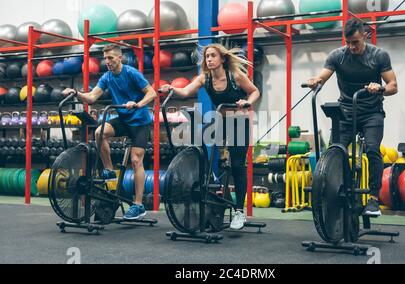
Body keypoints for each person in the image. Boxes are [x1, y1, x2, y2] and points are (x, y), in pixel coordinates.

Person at [160, 43, 260, 230]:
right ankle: (217, 194)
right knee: (204, 152)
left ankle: (239, 212)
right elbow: (185, 91)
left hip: (238, 122)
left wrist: (247, 101)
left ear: (222, 58)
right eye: (207, 57)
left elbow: (255, 91)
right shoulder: (204, 78)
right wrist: (172, 89)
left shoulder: (235, 76)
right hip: (220, 121)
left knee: (237, 165)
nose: (209, 59)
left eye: (213, 55)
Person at [306, 18, 398, 216]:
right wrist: (316, 80)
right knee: (334, 153)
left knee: (373, 150)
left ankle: (373, 198)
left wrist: (380, 88)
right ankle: (339, 188)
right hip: (346, 112)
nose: (351, 46)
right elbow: (323, 76)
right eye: (348, 42)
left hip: (371, 113)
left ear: (364, 36)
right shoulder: (337, 56)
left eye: (355, 42)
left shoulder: (379, 55)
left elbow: (393, 86)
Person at [62, 44, 157, 220]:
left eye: (111, 58)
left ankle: (138, 205)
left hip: (139, 121)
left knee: (136, 160)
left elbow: (152, 93)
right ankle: (109, 169)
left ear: (120, 58)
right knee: (99, 133)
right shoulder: (106, 77)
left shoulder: (131, 73)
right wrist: (76, 93)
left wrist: (137, 104)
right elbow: (91, 97)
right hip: (123, 119)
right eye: (105, 58)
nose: (107, 61)